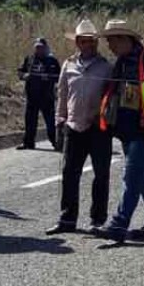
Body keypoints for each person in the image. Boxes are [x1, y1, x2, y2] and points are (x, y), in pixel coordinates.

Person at [97, 20, 144, 244]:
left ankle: (118, 225)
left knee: (131, 175)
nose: (109, 46)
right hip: (126, 128)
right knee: (142, 176)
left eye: (111, 41)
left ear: (124, 39)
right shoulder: (120, 61)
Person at [46, 20, 113, 235]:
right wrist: (60, 120)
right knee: (69, 173)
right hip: (74, 126)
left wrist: (105, 118)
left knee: (101, 174)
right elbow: (62, 94)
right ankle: (67, 220)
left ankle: (98, 220)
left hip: (98, 127)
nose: (89, 45)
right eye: (84, 41)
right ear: (77, 43)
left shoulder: (107, 67)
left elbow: (112, 97)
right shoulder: (68, 64)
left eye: (92, 41)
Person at [17, 37, 61, 150]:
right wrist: (24, 76)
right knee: (30, 121)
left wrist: (48, 78)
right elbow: (20, 72)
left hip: (47, 97)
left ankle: (56, 142)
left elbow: (60, 77)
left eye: (41, 47)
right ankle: (28, 143)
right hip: (32, 96)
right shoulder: (29, 59)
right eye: (37, 47)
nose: (38, 50)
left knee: (51, 122)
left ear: (45, 48)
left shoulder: (52, 61)